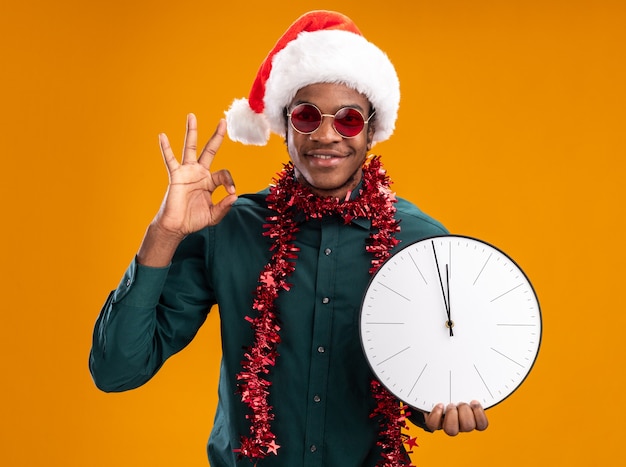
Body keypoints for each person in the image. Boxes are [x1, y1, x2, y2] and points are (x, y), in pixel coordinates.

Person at [89, 10, 488, 467]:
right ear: (285, 124)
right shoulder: (228, 229)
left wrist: (440, 405)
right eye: (306, 115)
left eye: (349, 120)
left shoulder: (422, 244)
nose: (325, 135)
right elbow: (116, 371)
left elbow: (431, 374)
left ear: (372, 130)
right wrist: (163, 235)